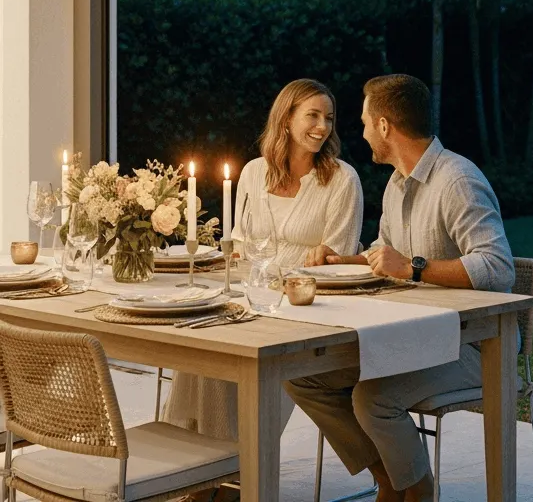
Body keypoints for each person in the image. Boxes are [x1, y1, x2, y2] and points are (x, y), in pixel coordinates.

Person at [287, 74, 514, 502]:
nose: (362, 131)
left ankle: (419, 491)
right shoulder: (396, 183)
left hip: (474, 345)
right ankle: (391, 477)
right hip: (414, 336)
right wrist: (341, 260)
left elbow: (497, 267)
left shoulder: (457, 179)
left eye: (365, 122)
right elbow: (383, 253)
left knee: (373, 397)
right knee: (305, 376)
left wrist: (413, 268)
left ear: (386, 126)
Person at [163, 78, 363, 439]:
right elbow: (239, 242)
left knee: (224, 348)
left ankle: (228, 468)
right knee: (200, 343)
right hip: (250, 291)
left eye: (329, 118)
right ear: (286, 119)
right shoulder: (255, 171)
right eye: (313, 116)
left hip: (303, 305)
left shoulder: (342, 179)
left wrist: (324, 259)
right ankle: (198, 463)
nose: (322, 127)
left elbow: (338, 261)